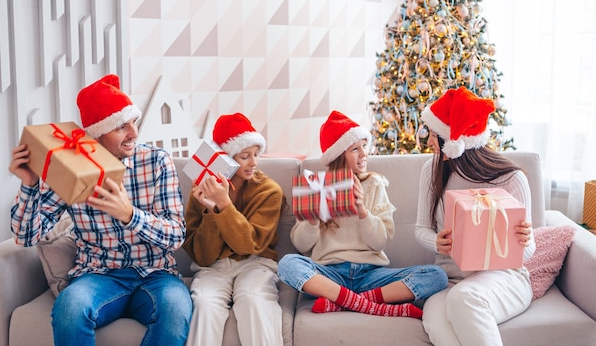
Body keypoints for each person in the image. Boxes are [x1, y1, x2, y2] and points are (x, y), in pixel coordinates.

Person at [9, 74, 192, 346]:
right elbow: (25, 237)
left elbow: (176, 235)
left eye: (134, 122)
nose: (134, 133)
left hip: (157, 275)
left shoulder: (156, 162)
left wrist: (130, 216)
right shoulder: (70, 170)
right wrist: (30, 184)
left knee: (176, 311)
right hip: (99, 275)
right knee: (70, 309)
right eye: (121, 126)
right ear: (97, 133)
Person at [278, 111, 448, 318]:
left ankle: (348, 303)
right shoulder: (317, 186)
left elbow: (379, 243)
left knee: (436, 275)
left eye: (364, 146)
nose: (364, 154)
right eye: (355, 149)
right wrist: (313, 219)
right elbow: (301, 245)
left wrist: (363, 212)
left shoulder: (374, 184)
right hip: (330, 275)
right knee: (287, 263)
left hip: (370, 275)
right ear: (339, 155)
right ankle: (369, 304)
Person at [415, 86, 535, 346]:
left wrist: (524, 241)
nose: (429, 142)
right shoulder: (432, 170)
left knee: (464, 298)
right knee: (436, 321)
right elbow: (420, 229)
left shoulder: (511, 179)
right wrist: (437, 242)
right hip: (450, 280)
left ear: (453, 140)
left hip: (504, 279)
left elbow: (527, 252)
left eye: (434, 135)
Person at [182, 113, 284, 346]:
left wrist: (224, 205)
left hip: (255, 262)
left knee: (252, 298)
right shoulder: (201, 190)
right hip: (214, 267)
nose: (254, 163)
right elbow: (202, 256)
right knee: (204, 303)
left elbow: (249, 245)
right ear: (224, 159)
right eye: (245, 156)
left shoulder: (269, 191)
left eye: (256, 155)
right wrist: (210, 213)